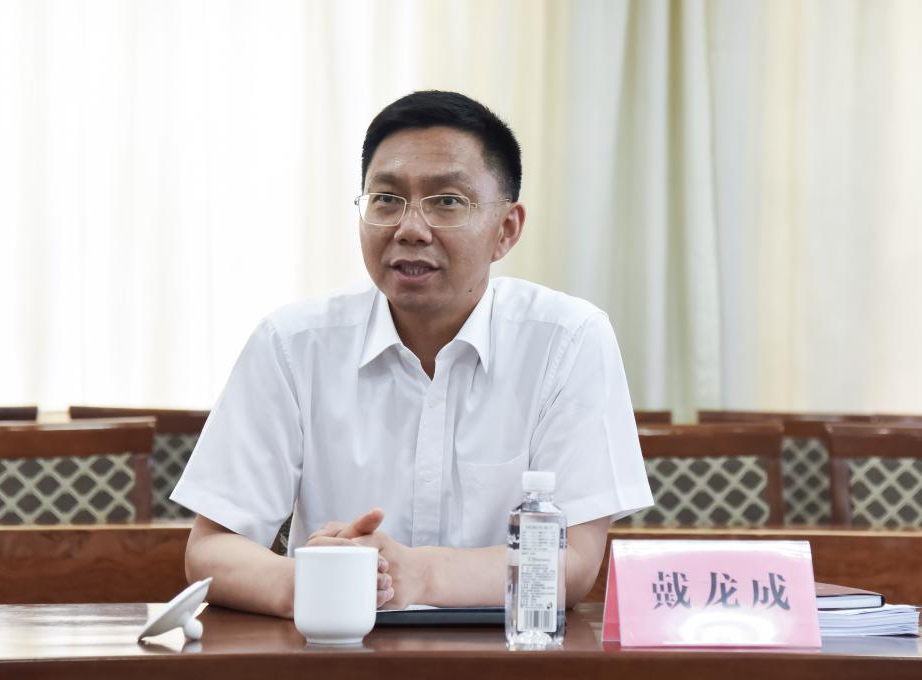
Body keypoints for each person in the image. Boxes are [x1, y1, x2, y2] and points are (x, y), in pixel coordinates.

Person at [171, 91, 653, 618]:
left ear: (506, 230)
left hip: (509, 654)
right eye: (386, 199)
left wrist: (416, 574)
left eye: (447, 201)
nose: (410, 229)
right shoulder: (291, 343)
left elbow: (573, 562)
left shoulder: (569, 339)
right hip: (336, 649)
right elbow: (212, 548)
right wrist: (319, 581)